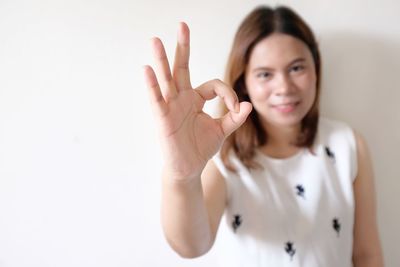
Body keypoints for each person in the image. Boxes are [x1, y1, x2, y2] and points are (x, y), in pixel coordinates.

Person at [143, 5, 384, 267]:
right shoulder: (226, 157)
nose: (284, 87)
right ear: (244, 82)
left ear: (316, 68)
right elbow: (191, 245)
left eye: (296, 68)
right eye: (265, 74)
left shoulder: (347, 146)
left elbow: (367, 255)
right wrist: (182, 177)